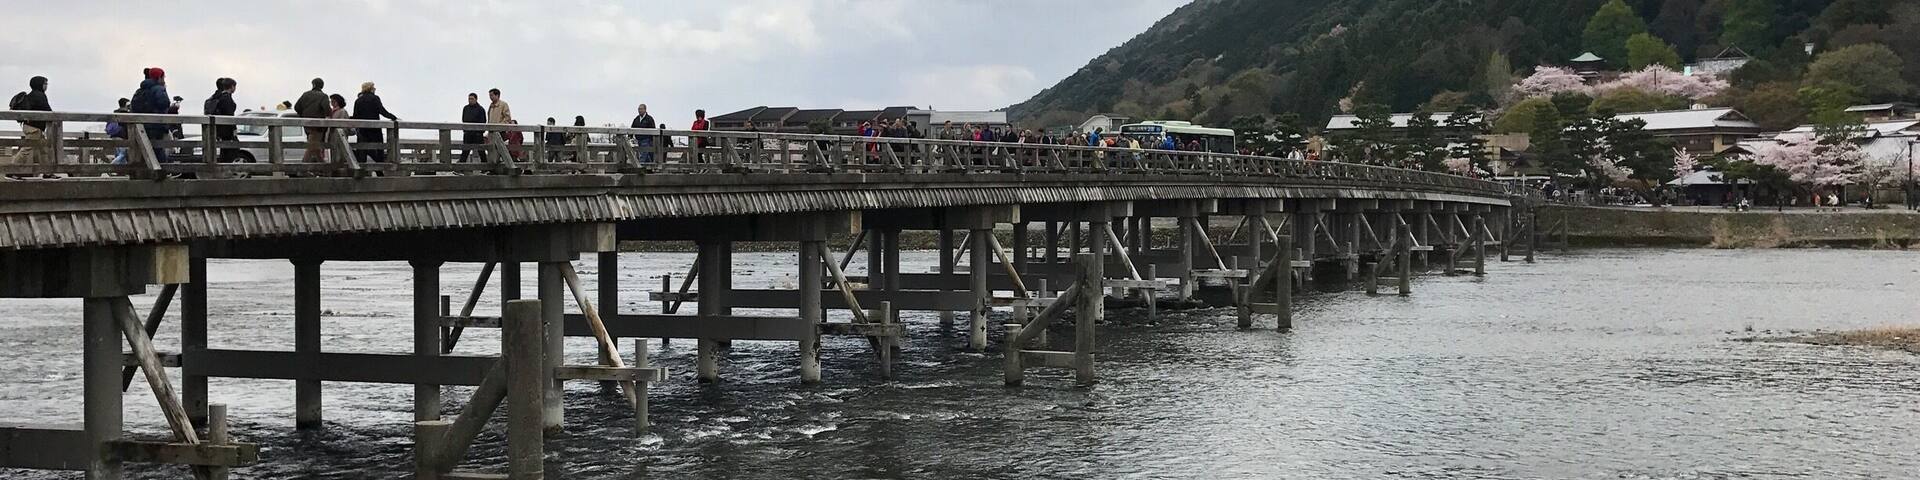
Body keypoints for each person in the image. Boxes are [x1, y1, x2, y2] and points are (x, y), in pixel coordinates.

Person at [7, 76, 53, 170]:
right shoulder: (40, 95)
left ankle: (48, 172)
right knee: (27, 149)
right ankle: (12, 170)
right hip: (34, 128)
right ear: (40, 84)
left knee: (43, 150)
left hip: (30, 126)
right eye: (45, 84)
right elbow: (48, 111)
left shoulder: (31, 95)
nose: (46, 86)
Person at [130, 68, 172, 164]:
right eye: (163, 77)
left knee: (144, 150)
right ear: (159, 77)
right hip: (156, 125)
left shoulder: (140, 90)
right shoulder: (158, 88)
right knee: (158, 150)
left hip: (142, 126)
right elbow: (164, 103)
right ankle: (161, 172)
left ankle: (142, 173)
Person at [350, 82, 398, 163]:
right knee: (378, 150)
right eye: (374, 87)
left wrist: (348, 119)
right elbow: (382, 111)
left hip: (363, 130)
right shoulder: (375, 98)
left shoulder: (358, 100)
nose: (375, 89)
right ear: (370, 88)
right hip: (374, 130)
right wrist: (393, 117)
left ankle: (362, 170)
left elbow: (356, 116)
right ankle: (379, 171)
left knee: (362, 151)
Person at [292, 78, 330, 162]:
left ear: (313, 85)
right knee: (312, 146)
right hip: (318, 126)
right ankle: (302, 169)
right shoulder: (323, 96)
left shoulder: (305, 94)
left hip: (306, 124)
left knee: (314, 147)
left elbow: (296, 107)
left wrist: (303, 115)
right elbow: (327, 110)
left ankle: (324, 168)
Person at [203, 77, 240, 162]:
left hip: (218, 129)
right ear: (232, 87)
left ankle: (220, 169)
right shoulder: (227, 98)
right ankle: (225, 170)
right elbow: (230, 116)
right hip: (226, 130)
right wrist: (234, 129)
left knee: (224, 151)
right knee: (230, 152)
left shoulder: (216, 97)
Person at [460, 93, 485, 163]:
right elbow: (464, 120)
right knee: (465, 151)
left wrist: (480, 132)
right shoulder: (466, 108)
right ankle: (460, 168)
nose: (470, 100)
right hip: (468, 133)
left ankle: (485, 168)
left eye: (472, 99)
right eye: (469, 99)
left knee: (481, 151)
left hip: (477, 134)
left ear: (476, 99)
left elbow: (483, 121)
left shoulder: (480, 109)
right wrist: (465, 130)